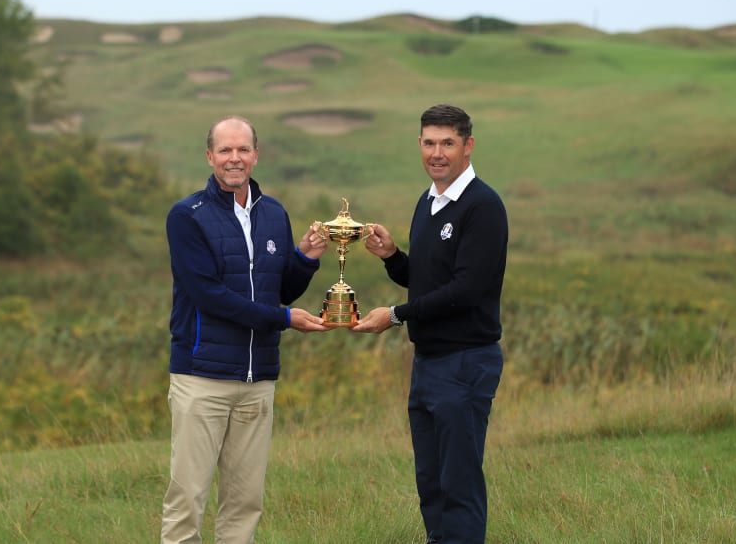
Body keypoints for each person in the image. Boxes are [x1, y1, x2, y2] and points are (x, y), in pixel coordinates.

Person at [161, 115, 331, 544]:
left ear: (256, 155)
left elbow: (281, 290)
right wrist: (285, 320)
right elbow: (209, 296)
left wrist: (305, 259)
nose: (233, 158)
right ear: (210, 157)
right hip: (202, 377)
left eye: (242, 150)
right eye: (225, 150)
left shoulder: (274, 213)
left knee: (245, 503)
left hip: (259, 381)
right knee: (187, 500)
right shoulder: (186, 216)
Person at [352, 104, 509, 544]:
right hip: (428, 363)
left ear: (468, 146)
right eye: (429, 143)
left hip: (465, 362)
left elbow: (465, 291)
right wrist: (392, 257)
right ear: (419, 144)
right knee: (432, 481)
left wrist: (395, 315)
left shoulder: (483, 206)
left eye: (447, 143)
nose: (437, 153)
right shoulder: (428, 202)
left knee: (458, 482)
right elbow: (425, 281)